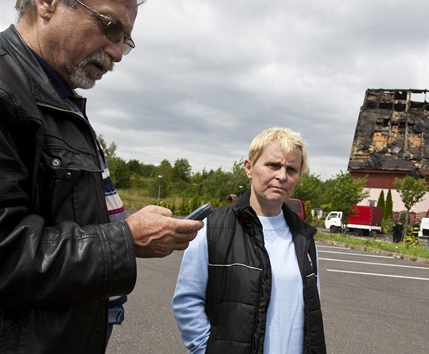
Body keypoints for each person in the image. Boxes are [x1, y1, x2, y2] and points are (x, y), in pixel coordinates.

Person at [0, 0, 203, 352]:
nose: (118, 52)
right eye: (110, 27)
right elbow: (8, 253)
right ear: (47, 4)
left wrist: (125, 224)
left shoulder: (58, 99)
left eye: (125, 39)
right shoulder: (8, 92)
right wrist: (126, 238)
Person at [173, 127, 327, 354]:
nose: (282, 176)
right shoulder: (212, 229)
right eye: (273, 165)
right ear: (249, 167)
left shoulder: (304, 237)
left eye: (291, 169)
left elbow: (311, 310)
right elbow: (187, 301)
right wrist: (206, 350)